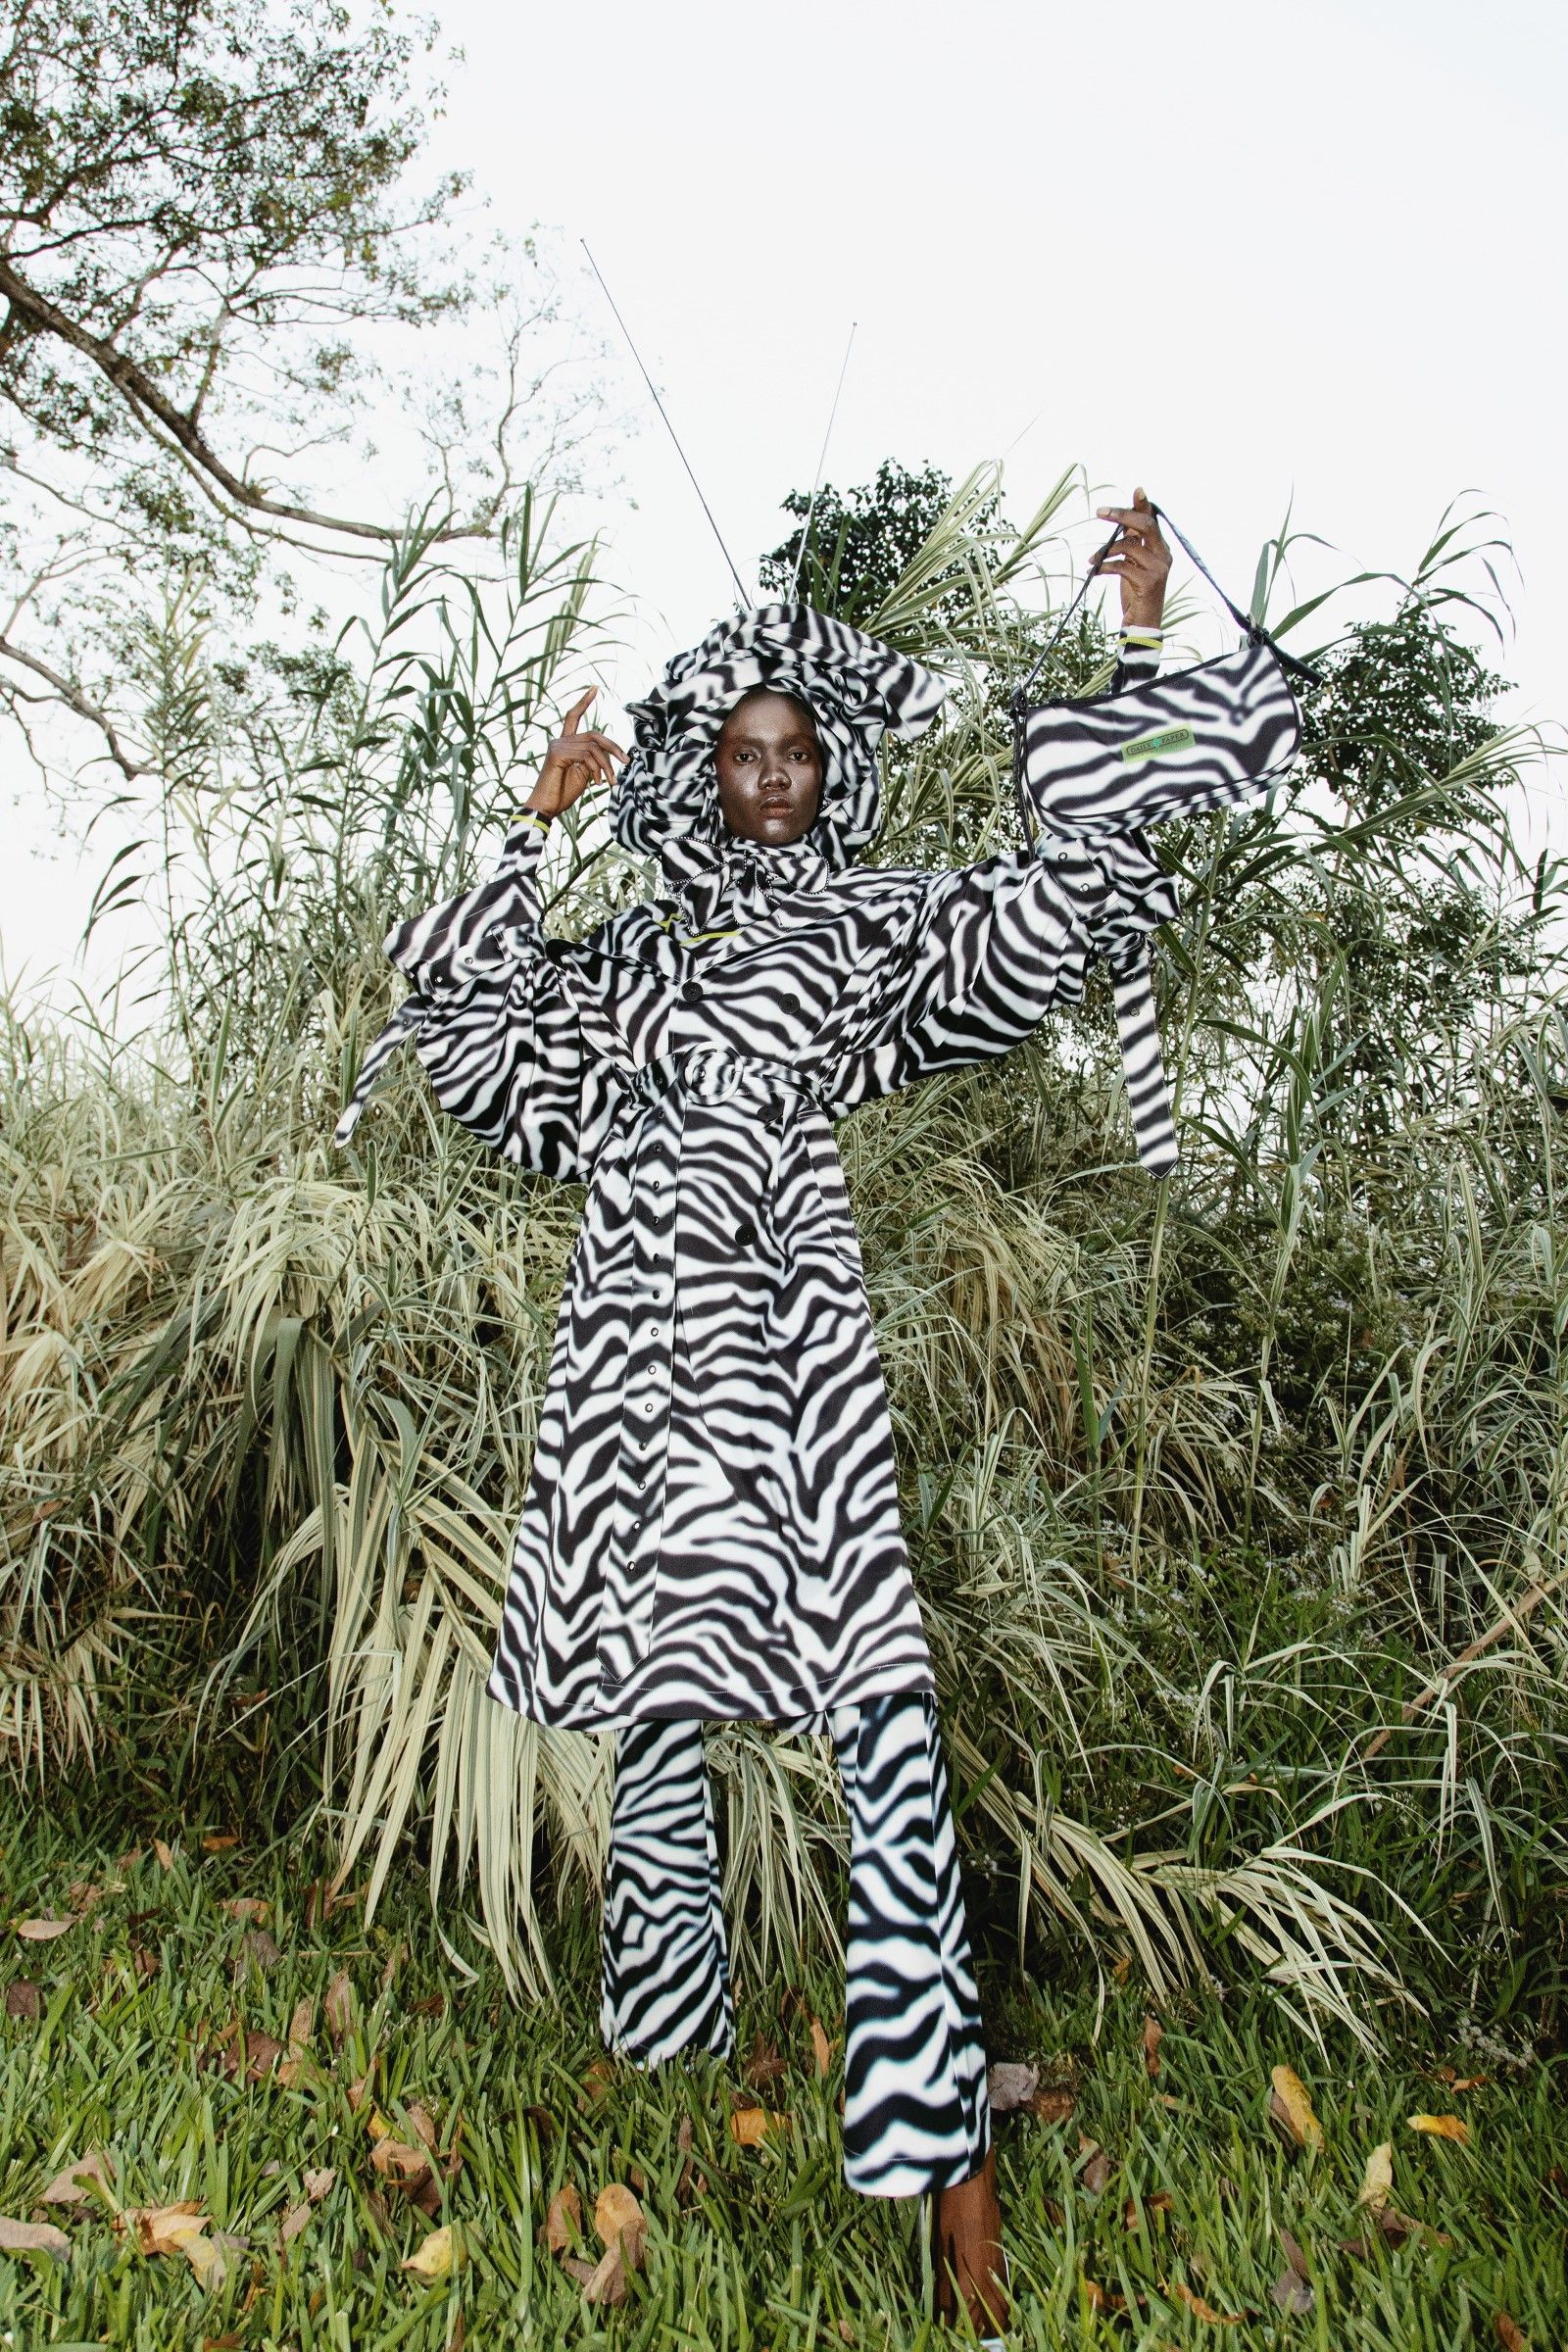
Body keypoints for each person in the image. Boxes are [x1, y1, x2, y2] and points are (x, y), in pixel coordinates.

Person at [337, 493, 1173, 2338]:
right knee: (656, 1713)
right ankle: (669, 2057)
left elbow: (1062, 904)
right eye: (743, 752)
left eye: (799, 751)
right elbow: (466, 1030)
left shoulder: (870, 931)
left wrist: (1131, 652)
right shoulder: (633, 956)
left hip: (793, 1363)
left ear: (834, 768)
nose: (774, 776)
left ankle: (953, 2201)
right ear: (701, 775)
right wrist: (537, 828)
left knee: (883, 1719)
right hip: (638, 1367)